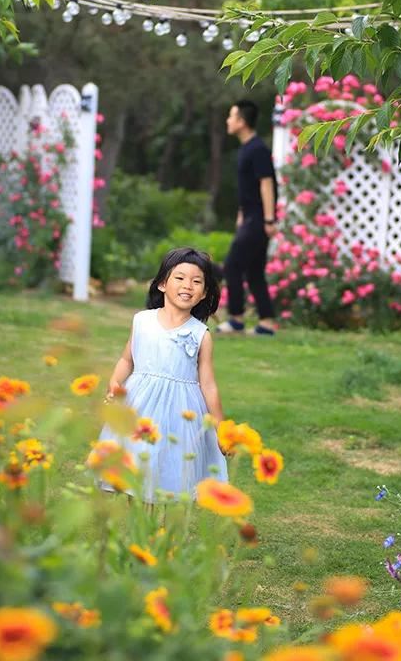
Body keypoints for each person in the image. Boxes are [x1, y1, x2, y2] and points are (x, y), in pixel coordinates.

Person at [98, 247, 228, 502]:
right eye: (179, 278)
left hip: (182, 412)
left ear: (204, 294)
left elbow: (209, 384)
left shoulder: (200, 334)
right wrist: (115, 382)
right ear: (161, 285)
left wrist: (221, 426)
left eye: (197, 281)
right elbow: (127, 358)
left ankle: (163, 527)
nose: (187, 285)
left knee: (173, 467)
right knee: (135, 460)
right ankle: (138, 523)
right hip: (140, 405)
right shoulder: (142, 321)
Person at [219, 100, 278, 336]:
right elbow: (249, 187)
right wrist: (241, 213)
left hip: (259, 218)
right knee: (254, 271)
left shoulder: (258, 149)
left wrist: (269, 219)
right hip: (251, 216)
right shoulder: (246, 148)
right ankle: (266, 323)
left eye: (231, 116)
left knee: (233, 266)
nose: (228, 120)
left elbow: (266, 184)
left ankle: (236, 319)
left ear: (242, 122)